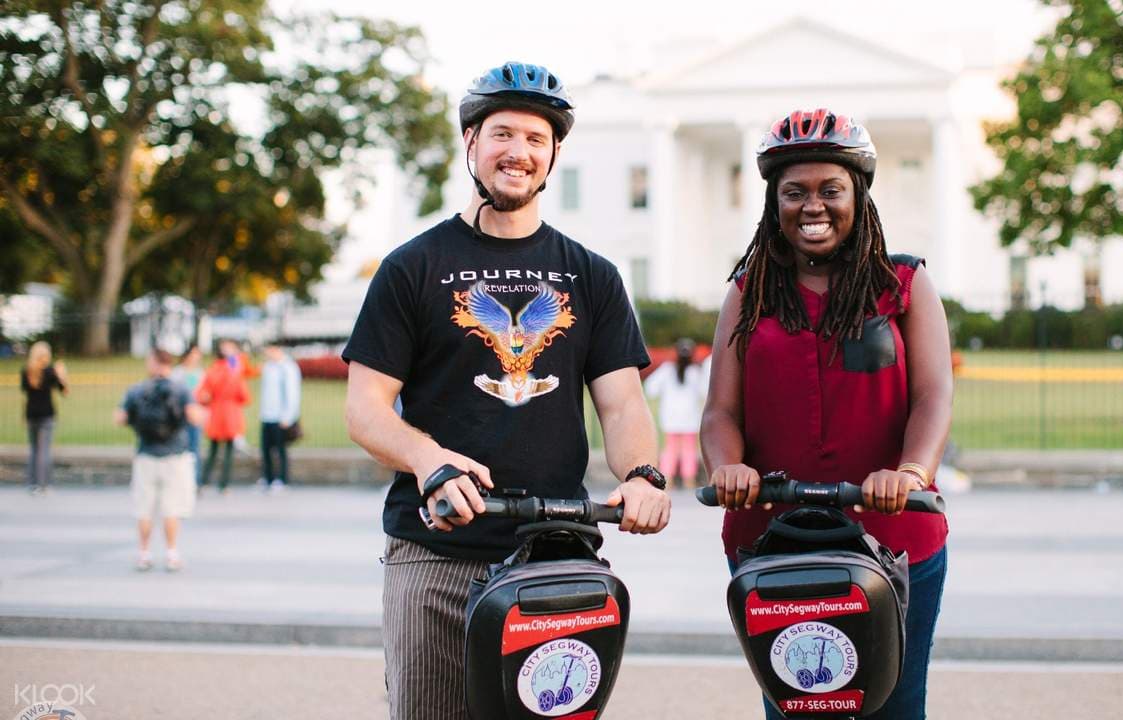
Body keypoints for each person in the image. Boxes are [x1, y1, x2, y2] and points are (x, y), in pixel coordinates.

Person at [342, 61, 671, 720]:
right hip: (434, 552)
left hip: (554, 551)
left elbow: (621, 401)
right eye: (501, 134)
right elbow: (364, 408)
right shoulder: (412, 267)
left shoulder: (592, 276)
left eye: (534, 139)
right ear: (470, 141)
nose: (517, 152)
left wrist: (642, 474)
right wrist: (428, 460)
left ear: (552, 155)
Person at [700, 108, 953, 720]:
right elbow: (719, 412)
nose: (813, 206)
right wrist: (728, 468)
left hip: (893, 539)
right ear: (774, 203)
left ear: (858, 196)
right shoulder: (748, 290)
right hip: (771, 538)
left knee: (893, 706)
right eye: (795, 192)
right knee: (796, 707)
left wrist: (911, 474)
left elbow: (933, 397)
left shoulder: (905, 285)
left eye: (830, 190)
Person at [115, 348, 205, 571]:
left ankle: (144, 553)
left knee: (144, 509)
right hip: (174, 456)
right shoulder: (181, 389)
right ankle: (172, 552)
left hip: (146, 455)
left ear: (153, 363)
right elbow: (195, 417)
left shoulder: (137, 390)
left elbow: (120, 418)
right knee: (171, 509)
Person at [643, 338, 707, 489]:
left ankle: (668, 480)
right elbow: (705, 392)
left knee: (670, 449)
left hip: (670, 418)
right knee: (689, 450)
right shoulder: (695, 372)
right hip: (690, 418)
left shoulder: (667, 370)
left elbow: (651, 389)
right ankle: (689, 480)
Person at [197, 338, 250, 493]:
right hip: (227, 413)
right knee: (223, 450)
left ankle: (207, 482)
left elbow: (203, 393)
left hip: (221, 413)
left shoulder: (218, 369)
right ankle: (218, 484)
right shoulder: (230, 370)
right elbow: (244, 395)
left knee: (219, 450)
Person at [19, 341, 68, 495]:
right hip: (47, 414)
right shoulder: (51, 372)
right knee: (44, 450)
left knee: (34, 450)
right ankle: (44, 485)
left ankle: (32, 484)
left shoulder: (26, 371)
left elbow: (25, 392)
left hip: (31, 414)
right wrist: (62, 374)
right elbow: (64, 391)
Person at [258, 342, 301, 493]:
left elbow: (292, 393)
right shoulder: (269, 367)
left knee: (280, 450)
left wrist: (288, 416)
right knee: (266, 449)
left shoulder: (287, 367)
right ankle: (268, 477)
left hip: (280, 416)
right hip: (267, 414)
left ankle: (282, 479)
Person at [173, 345, 206, 482]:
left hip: (196, 417)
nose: (195, 358)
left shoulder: (201, 373)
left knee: (194, 449)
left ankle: (194, 481)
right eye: (193, 354)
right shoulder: (177, 373)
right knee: (179, 449)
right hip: (181, 417)